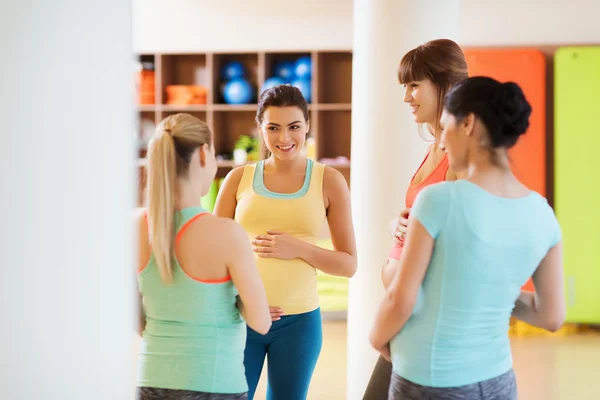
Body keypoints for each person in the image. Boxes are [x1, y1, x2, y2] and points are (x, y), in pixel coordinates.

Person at [369, 77, 565, 399]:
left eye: (446, 128)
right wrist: (488, 290)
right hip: (498, 381)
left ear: (468, 124)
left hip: (430, 381)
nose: (443, 142)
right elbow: (551, 315)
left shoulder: (438, 200)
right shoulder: (542, 213)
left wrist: (376, 338)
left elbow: (399, 300)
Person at [214, 84, 357, 400]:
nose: (284, 138)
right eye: (273, 127)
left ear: (307, 125)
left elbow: (348, 264)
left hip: (299, 324)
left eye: (294, 127)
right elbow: (214, 256)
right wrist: (239, 302)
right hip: (240, 316)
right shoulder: (237, 179)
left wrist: (300, 248)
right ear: (260, 128)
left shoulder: (329, 180)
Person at [135, 113, 271, 400]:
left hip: (150, 379)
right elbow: (261, 322)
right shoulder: (226, 233)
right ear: (203, 154)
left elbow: (135, 318)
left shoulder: (135, 227)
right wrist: (238, 302)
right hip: (214, 384)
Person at [363, 38, 469, 399]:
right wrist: (398, 225)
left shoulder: (461, 155)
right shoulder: (432, 149)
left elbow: (458, 238)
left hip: (425, 317)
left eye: (413, 86)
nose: (406, 97)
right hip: (408, 314)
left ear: (446, 85)